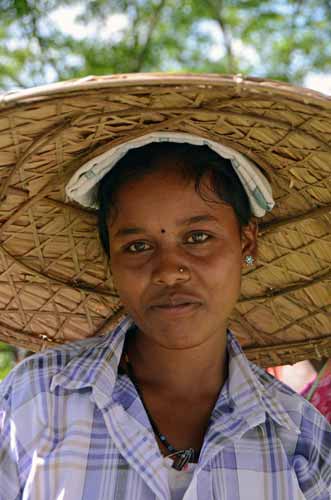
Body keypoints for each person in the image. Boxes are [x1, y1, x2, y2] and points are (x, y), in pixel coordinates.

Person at [0, 74, 330, 500]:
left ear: (246, 241)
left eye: (198, 237)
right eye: (138, 246)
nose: (169, 271)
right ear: (110, 260)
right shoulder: (35, 399)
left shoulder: (300, 438)